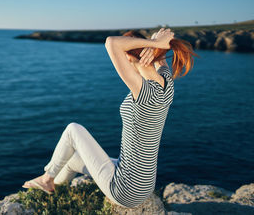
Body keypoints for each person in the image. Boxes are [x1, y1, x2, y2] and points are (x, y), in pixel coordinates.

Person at [22, 28, 199, 208]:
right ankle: (54, 190)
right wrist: (156, 45)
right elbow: (160, 59)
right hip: (143, 184)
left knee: (73, 130)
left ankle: (46, 178)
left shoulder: (145, 92)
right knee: (72, 161)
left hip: (126, 190)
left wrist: (155, 43)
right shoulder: (166, 85)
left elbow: (111, 43)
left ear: (129, 58)